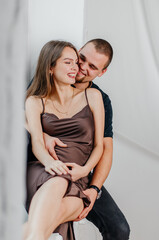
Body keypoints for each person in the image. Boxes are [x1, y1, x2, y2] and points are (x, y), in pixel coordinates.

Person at [43, 39, 130, 240]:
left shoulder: (100, 99)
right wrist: (44, 136)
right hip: (46, 166)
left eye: (92, 67)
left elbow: (105, 148)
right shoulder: (50, 77)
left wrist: (93, 189)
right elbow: (20, 114)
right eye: (82, 58)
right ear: (78, 50)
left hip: (82, 171)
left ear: (102, 72)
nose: (82, 67)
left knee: (119, 229)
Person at [24, 40, 105, 240]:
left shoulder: (93, 96)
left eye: (76, 63)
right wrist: (50, 162)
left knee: (46, 223)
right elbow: (36, 142)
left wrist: (86, 171)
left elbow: (99, 145)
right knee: (58, 181)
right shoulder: (35, 101)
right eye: (68, 62)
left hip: (79, 177)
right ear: (50, 67)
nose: (76, 68)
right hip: (45, 169)